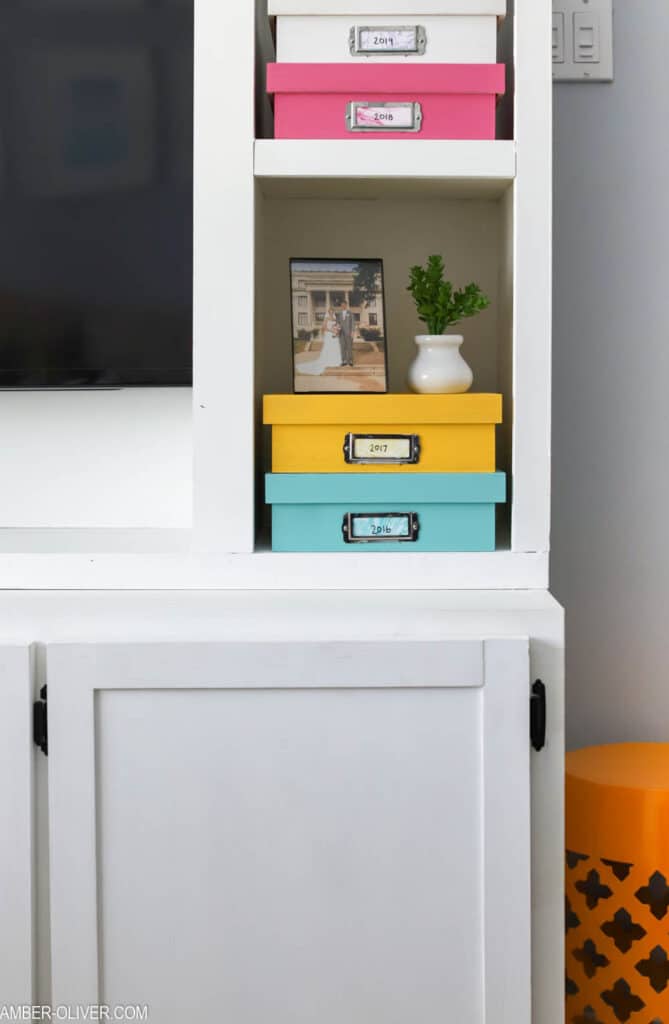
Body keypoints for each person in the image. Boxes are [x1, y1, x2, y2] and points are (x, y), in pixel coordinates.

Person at [298, 307, 342, 376]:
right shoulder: (326, 319)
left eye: (332, 311)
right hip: (329, 335)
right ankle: (328, 361)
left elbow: (337, 326)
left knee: (335, 347)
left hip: (334, 335)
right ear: (328, 312)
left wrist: (337, 331)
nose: (331, 312)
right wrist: (331, 330)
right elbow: (324, 327)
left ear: (333, 312)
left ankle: (335, 361)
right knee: (328, 348)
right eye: (330, 311)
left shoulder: (335, 319)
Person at [336, 301, 355, 367]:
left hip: (348, 332)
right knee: (342, 347)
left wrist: (352, 331)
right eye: (342, 305)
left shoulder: (350, 313)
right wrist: (337, 329)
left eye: (344, 305)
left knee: (349, 347)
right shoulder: (339, 314)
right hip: (341, 333)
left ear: (346, 305)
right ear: (341, 306)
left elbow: (352, 322)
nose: (343, 306)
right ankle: (343, 361)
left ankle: (350, 361)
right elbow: (338, 323)